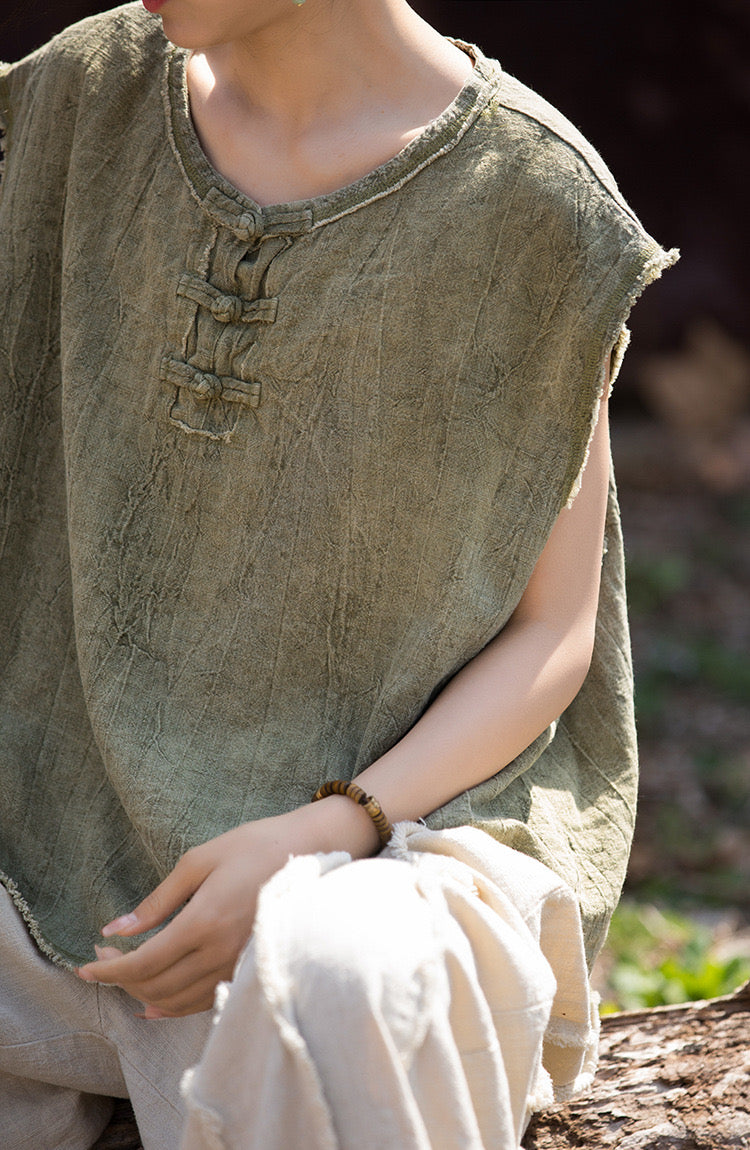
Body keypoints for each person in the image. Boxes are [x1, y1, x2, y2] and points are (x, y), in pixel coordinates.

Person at [0, 1, 677, 1147]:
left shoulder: (535, 200)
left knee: (337, 978)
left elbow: (553, 634)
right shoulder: (81, 94)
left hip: (394, 850)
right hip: (45, 850)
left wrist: (325, 832)